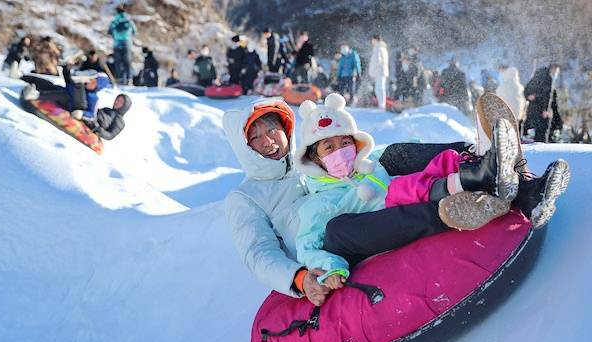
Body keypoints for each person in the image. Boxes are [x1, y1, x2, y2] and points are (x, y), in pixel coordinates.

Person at [223, 96, 569, 305]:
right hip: (328, 244)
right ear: (245, 148)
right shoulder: (246, 197)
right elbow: (258, 254)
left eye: (272, 129)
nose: (269, 141)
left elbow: (364, 162)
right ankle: (452, 209)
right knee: (339, 228)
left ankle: (487, 162)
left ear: (285, 129)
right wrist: (299, 278)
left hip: (361, 197)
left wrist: (391, 156)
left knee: (389, 155)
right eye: (256, 137)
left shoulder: (311, 159)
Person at [292, 93, 525, 287]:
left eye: (345, 143)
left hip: (404, 194)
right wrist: (331, 269)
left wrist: (415, 152)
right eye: (329, 147)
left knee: (393, 154)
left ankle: (481, 156)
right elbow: (308, 247)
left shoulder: (369, 162)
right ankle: (461, 204)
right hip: (372, 228)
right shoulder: (318, 203)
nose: (340, 151)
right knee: (338, 228)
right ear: (315, 159)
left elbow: (408, 154)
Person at [22, 63, 112, 121]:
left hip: (71, 105)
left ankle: (35, 96)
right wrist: (66, 68)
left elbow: (92, 115)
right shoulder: (81, 86)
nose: (89, 82)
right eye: (90, 79)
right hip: (65, 94)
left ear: (98, 87)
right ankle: (23, 78)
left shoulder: (93, 97)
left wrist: (82, 114)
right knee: (51, 85)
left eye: (93, 82)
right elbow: (69, 84)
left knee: (62, 95)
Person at [523, 64, 561, 142]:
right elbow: (545, 96)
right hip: (540, 111)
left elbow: (527, 91)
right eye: (556, 71)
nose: (556, 73)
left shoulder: (538, 77)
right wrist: (545, 109)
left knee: (537, 133)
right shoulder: (547, 79)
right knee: (541, 134)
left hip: (533, 109)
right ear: (552, 69)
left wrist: (530, 96)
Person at [108, 5, 137, 84]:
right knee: (127, 62)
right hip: (126, 44)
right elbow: (135, 31)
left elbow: (109, 31)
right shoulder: (129, 20)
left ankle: (119, 78)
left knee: (118, 62)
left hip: (116, 44)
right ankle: (128, 79)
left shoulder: (114, 20)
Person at [368, 35, 389, 110]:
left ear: (376, 40)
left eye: (372, 40)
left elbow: (377, 61)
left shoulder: (378, 48)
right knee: (380, 88)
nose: (372, 42)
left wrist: (372, 71)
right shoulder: (383, 48)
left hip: (379, 71)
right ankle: (382, 104)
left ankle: (382, 105)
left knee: (379, 89)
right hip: (381, 71)